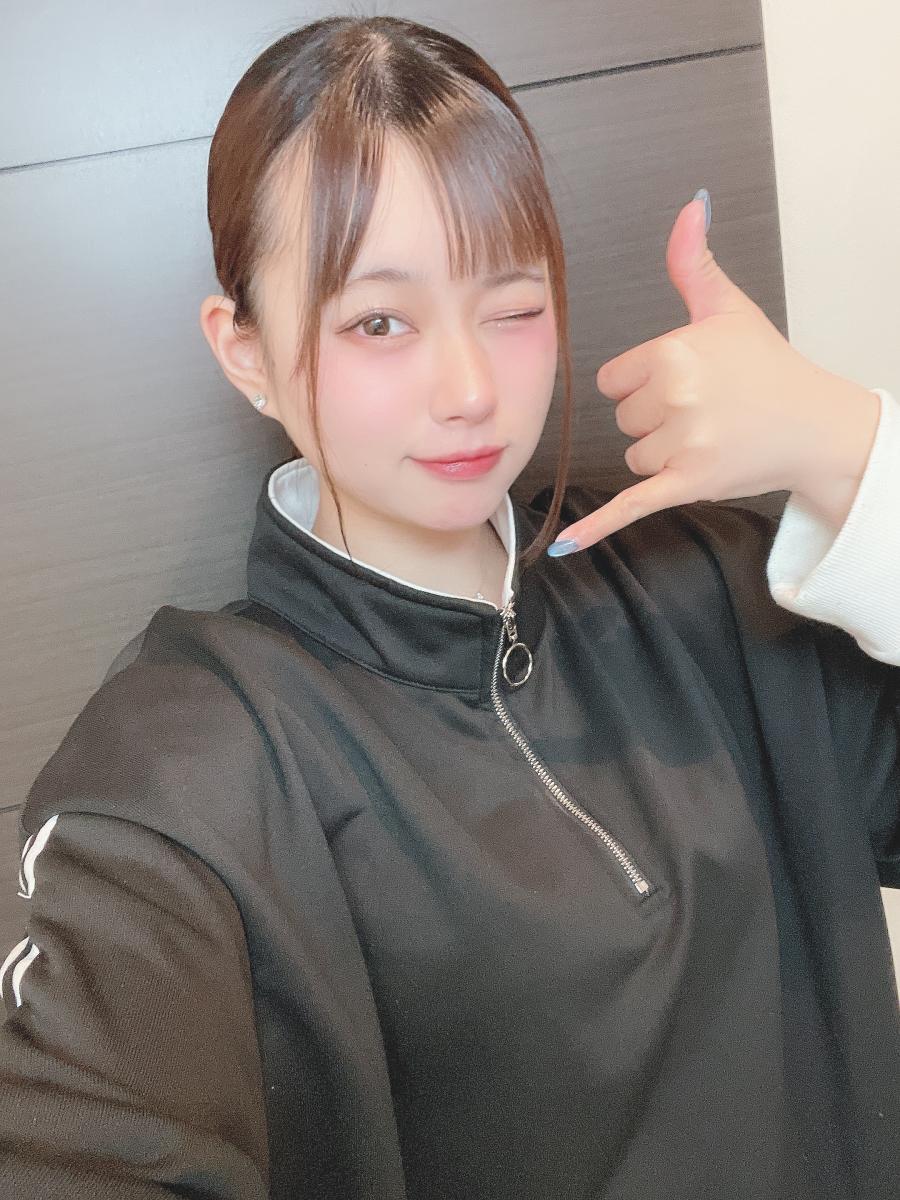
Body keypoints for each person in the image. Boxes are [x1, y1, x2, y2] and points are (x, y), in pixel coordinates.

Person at [1, 14, 897, 1199]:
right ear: (247, 351)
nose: (471, 389)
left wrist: (854, 452)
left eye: (512, 304)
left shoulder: (710, 582)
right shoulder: (190, 762)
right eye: (379, 321)